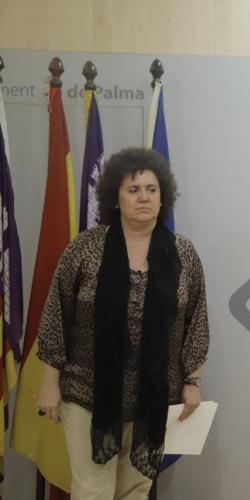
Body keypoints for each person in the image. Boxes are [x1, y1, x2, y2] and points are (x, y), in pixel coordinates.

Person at [37, 147, 209, 499]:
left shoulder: (184, 254)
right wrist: (49, 384)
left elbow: (197, 323)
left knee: (135, 490)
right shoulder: (85, 249)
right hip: (88, 392)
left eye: (151, 189)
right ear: (115, 198)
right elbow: (56, 316)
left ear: (163, 196)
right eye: (133, 190)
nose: (144, 197)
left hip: (153, 395)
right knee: (93, 491)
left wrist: (192, 382)